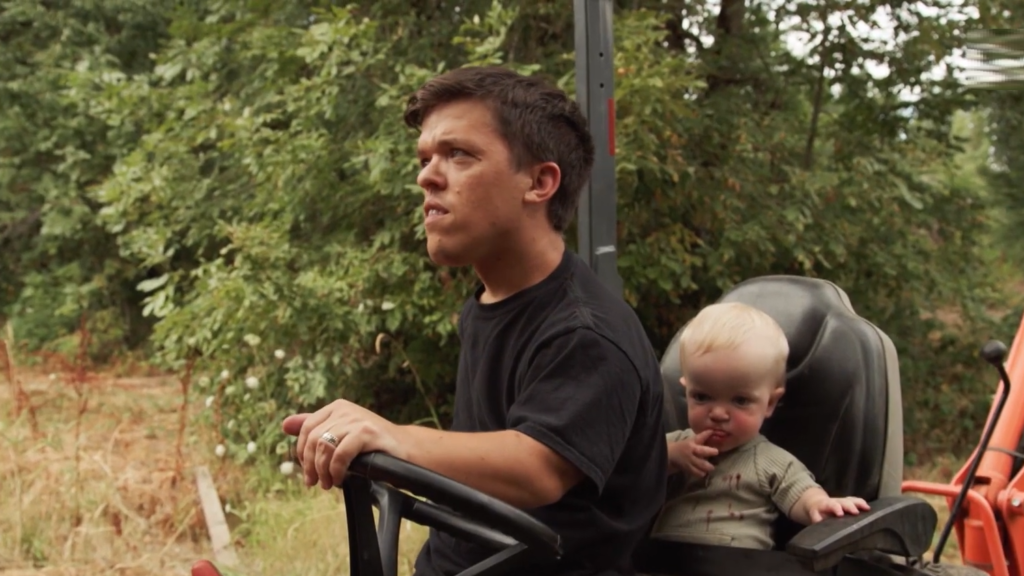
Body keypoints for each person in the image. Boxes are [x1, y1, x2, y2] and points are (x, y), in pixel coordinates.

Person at [280, 65, 668, 575]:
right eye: (424, 159)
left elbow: (537, 468)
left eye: (458, 154)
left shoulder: (585, 332)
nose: (426, 176)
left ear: (539, 182)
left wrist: (389, 435)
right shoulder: (487, 302)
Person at [649, 302, 870, 550]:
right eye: (701, 397)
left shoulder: (768, 460)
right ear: (686, 390)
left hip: (739, 565)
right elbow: (633, 472)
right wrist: (671, 457)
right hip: (662, 562)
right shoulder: (672, 444)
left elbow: (800, 492)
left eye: (740, 401)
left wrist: (819, 505)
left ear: (770, 403)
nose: (718, 413)